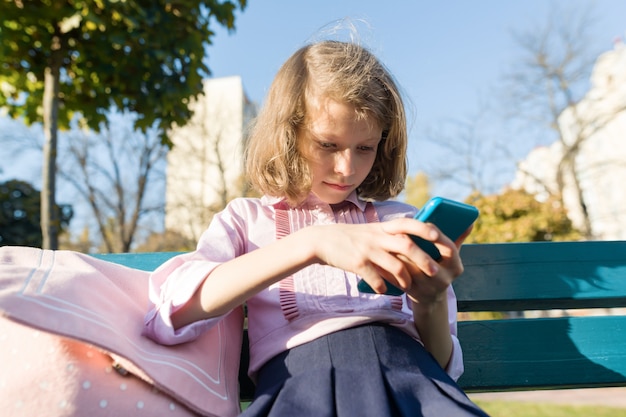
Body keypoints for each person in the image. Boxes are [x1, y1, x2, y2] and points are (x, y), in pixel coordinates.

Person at [143, 39, 490, 417]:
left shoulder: (399, 221)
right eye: (328, 144)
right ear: (287, 136)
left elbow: (442, 365)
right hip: (300, 393)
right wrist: (312, 244)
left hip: (413, 386)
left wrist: (431, 300)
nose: (347, 168)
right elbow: (171, 313)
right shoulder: (246, 218)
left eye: (365, 147)